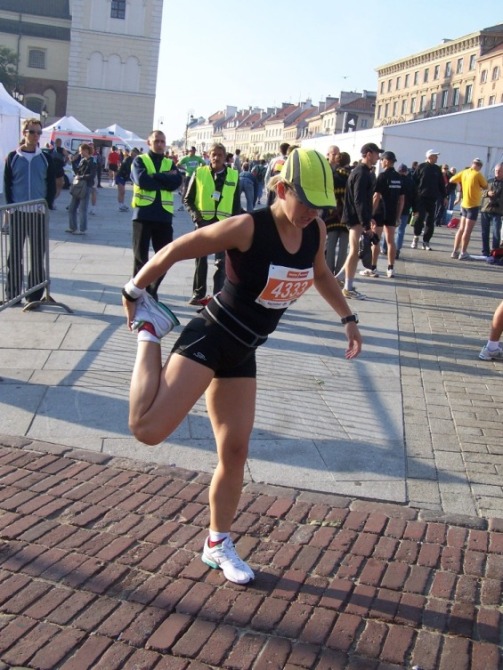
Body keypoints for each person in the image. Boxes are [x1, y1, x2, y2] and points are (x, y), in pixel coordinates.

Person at [121, 147, 362, 584]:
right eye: (306, 202)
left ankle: (217, 544)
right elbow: (176, 248)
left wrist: (348, 319)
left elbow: (321, 273)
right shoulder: (248, 226)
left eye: (321, 205)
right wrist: (135, 289)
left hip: (244, 350)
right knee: (147, 430)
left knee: (235, 451)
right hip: (211, 338)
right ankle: (150, 331)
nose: (313, 212)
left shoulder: (314, 230)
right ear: (282, 189)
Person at [3, 117, 56, 306]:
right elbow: (7, 184)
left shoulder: (45, 158)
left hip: (38, 213)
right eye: (32, 132)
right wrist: (10, 207)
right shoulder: (13, 157)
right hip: (18, 212)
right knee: (14, 255)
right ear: (24, 133)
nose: (36, 136)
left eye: (39, 132)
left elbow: (51, 184)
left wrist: (47, 205)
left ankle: (34, 296)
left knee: (37, 255)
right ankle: (13, 294)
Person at [184, 142, 241, 305]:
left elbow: (236, 203)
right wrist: (196, 217)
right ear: (209, 156)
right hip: (204, 222)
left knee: (222, 263)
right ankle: (198, 294)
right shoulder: (199, 172)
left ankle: (218, 296)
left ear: (225, 157)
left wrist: (234, 224)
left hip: (224, 224)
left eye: (220, 155)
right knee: (201, 260)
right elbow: (188, 199)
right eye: (213, 154)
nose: (216, 158)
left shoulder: (233, 175)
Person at [130, 130, 182, 301]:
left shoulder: (169, 163)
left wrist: (155, 177)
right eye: (156, 141)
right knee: (140, 258)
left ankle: (151, 290)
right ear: (149, 142)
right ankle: (137, 295)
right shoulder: (140, 160)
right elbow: (142, 181)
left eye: (162, 141)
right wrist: (164, 178)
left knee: (166, 257)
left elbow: (176, 182)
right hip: (143, 215)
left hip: (163, 216)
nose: (160, 144)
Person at [335, 142, 383, 300]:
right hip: (355, 217)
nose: (378, 157)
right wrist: (365, 224)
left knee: (354, 252)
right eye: (376, 154)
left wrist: (369, 218)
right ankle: (347, 287)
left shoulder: (364, 172)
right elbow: (359, 200)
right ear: (369, 154)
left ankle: (340, 279)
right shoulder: (361, 173)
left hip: (356, 217)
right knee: (355, 251)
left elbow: (363, 201)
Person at [365, 150, 403, 279]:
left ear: (386, 161)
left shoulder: (382, 176)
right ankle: (390, 268)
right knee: (391, 241)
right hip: (392, 212)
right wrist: (398, 216)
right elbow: (402, 199)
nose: (380, 162)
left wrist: (371, 214)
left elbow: (376, 196)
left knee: (376, 240)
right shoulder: (399, 177)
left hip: (380, 211)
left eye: (382, 160)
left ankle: (373, 267)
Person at [449, 158, 488, 260]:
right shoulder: (478, 174)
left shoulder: (464, 172)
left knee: (461, 229)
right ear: (480, 166)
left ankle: (454, 251)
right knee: (467, 230)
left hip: (464, 204)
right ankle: (463, 252)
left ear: (472, 164)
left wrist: (461, 182)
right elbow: (485, 186)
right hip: (473, 205)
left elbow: (451, 179)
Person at [411, 150, 446, 251]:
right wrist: (414, 196)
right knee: (420, 218)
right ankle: (416, 237)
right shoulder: (421, 167)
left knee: (430, 220)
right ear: (430, 157)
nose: (437, 158)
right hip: (421, 197)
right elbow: (414, 182)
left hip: (432, 198)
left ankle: (426, 241)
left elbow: (441, 184)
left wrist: (444, 196)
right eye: (435, 156)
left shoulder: (437, 169)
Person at [324, 150, 351, 277]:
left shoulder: (332, 176)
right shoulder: (351, 176)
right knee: (344, 247)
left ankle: (329, 271)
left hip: (332, 214)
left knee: (330, 245)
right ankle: (339, 273)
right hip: (346, 215)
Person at [66, 143, 96, 235]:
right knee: (72, 208)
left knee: (83, 209)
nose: (80, 153)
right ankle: (72, 227)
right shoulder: (82, 160)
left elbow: (92, 175)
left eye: (81, 151)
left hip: (86, 186)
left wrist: (82, 177)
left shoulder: (92, 161)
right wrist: (72, 162)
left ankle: (82, 229)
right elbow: (77, 172)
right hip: (78, 185)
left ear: (86, 150)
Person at [480, 163, 503, 257]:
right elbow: (481, 191)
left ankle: (495, 251)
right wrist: (487, 193)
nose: (497, 173)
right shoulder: (488, 181)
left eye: (500, 171)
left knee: (496, 232)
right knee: (484, 232)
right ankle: (485, 251)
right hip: (486, 209)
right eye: (496, 171)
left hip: (498, 211)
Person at [395, 163, 417, 259]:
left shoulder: (395, 180)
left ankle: (385, 247)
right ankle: (397, 249)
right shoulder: (411, 182)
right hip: (405, 209)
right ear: (406, 172)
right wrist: (415, 209)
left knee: (389, 230)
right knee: (401, 231)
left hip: (393, 208)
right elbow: (415, 197)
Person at [116, 148, 139, 212]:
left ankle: (122, 204)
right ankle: (120, 205)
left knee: (123, 192)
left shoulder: (132, 159)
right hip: (120, 176)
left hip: (124, 177)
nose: (135, 155)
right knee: (121, 191)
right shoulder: (127, 159)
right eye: (135, 153)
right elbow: (129, 169)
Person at [51, 138, 69, 205]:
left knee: (53, 185)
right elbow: (67, 156)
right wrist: (65, 162)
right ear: (60, 143)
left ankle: (51, 200)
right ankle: (52, 200)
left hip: (52, 169)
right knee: (60, 186)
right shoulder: (62, 150)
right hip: (59, 169)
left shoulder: (51, 150)